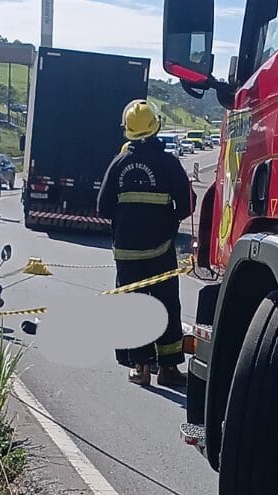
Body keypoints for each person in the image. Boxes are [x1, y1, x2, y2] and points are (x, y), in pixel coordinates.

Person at [97, 99, 193, 387]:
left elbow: (102, 207)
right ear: (156, 126)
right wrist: (169, 220)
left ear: (127, 130)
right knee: (166, 307)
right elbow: (188, 203)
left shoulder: (119, 163)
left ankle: (140, 368)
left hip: (126, 254)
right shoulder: (168, 163)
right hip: (160, 251)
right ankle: (168, 370)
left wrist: (126, 220)